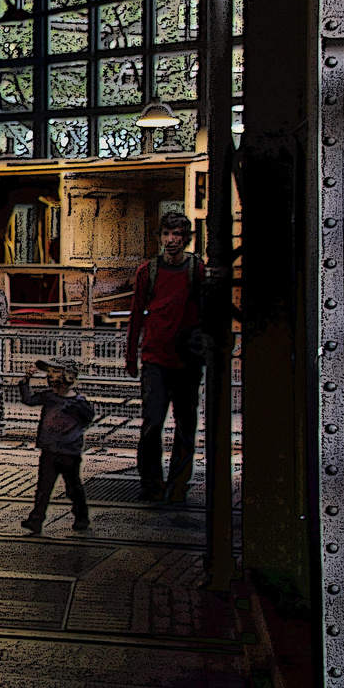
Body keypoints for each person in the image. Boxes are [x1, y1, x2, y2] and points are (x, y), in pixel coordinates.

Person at [125, 211, 205, 503]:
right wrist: (131, 356)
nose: (171, 241)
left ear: (186, 239)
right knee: (152, 424)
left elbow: (206, 309)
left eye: (177, 235)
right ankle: (151, 483)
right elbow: (136, 315)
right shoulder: (148, 271)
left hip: (187, 361)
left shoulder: (196, 269)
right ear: (159, 237)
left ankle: (178, 485)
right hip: (155, 359)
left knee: (186, 426)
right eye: (167, 235)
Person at [19, 357, 94, 535]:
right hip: (51, 450)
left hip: (68, 451)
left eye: (55, 373)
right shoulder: (49, 397)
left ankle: (81, 516)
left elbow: (87, 418)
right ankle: (36, 519)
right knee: (44, 487)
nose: (51, 377)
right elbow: (29, 400)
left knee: (72, 486)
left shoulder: (78, 403)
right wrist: (24, 382)